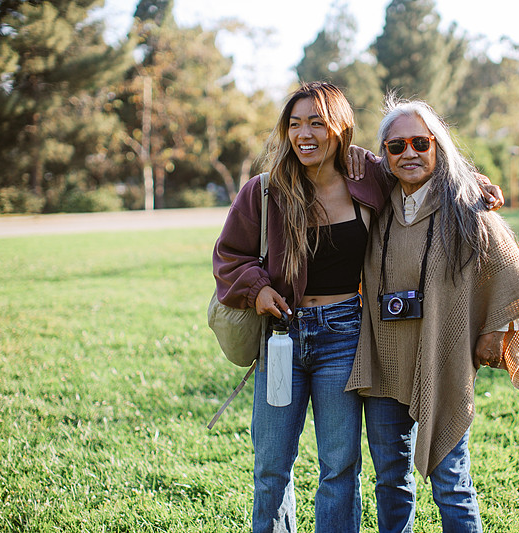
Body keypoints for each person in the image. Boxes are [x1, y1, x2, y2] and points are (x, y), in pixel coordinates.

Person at [213, 82, 503, 533]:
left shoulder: (367, 173)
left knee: (340, 466)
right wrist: (256, 291)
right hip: (282, 339)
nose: (304, 134)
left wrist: (476, 186)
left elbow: (421, 169)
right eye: (294, 124)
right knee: (271, 468)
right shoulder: (264, 191)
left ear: (339, 127)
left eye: (316, 122)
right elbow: (229, 256)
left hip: (345, 337)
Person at [346, 97, 519, 533]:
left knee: (451, 484)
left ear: (438, 147)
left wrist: (496, 330)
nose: (409, 154)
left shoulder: (466, 208)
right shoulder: (374, 206)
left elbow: (512, 272)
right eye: (397, 146)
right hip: (383, 363)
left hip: (443, 361)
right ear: (384, 155)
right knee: (390, 482)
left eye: (421, 143)